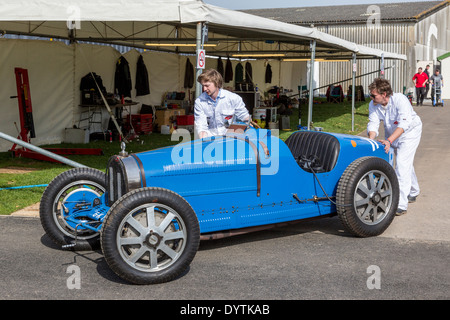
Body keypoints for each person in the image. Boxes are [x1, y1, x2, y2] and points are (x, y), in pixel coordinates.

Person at [367, 78, 422, 216]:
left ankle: (401, 204)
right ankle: (414, 191)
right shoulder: (373, 104)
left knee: (402, 165)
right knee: (406, 163)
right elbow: (373, 123)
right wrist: (370, 141)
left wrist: (389, 141)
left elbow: (404, 124)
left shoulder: (400, 100)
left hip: (410, 132)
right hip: (392, 133)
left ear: (384, 94)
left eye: (374, 95)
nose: (371, 97)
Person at [194, 69, 250, 138]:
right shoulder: (199, 101)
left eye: (207, 85)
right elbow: (201, 126)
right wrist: (203, 140)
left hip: (231, 138)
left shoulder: (233, 98)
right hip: (211, 138)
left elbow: (246, 118)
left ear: (216, 83)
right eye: (203, 86)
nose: (204, 89)